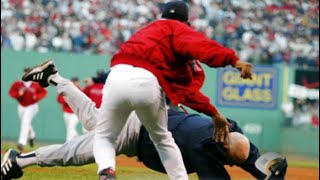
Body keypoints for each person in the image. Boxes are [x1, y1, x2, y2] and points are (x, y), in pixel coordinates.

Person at [21, 1, 253, 179]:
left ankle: (105, 170)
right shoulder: (177, 31)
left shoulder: (148, 30)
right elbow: (201, 50)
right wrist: (233, 61)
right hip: (144, 91)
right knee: (162, 140)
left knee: (102, 133)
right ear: (187, 23)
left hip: (117, 76)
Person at [1, 71, 287, 180]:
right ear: (222, 150)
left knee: (91, 120)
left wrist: (265, 174)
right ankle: (20, 159)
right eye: (228, 157)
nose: (231, 159)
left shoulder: (227, 128)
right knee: (73, 153)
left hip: (150, 114)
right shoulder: (205, 153)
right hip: (134, 134)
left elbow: (248, 155)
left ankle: (56, 79)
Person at [8, 67, 48, 151]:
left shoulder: (35, 84)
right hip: (21, 106)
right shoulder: (18, 83)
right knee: (25, 122)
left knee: (25, 122)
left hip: (32, 106)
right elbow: (11, 92)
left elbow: (44, 92)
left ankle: (22, 142)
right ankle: (32, 135)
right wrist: (18, 94)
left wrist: (36, 96)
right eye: (25, 72)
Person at [57, 77, 82, 141]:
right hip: (66, 112)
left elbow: (81, 102)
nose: (75, 83)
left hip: (76, 113)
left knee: (70, 127)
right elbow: (59, 100)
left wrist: (69, 100)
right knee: (70, 128)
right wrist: (67, 100)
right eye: (73, 81)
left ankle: (68, 143)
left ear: (78, 82)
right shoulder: (65, 90)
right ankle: (78, 139)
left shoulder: (81, 90)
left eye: (76, 81)